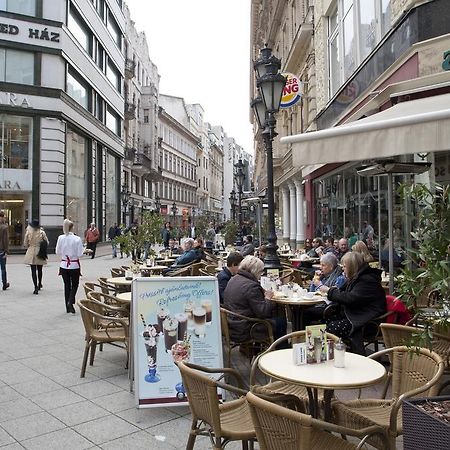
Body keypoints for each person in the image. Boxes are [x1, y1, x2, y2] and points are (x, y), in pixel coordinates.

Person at [319, 252, 386, 353]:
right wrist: (332, 291)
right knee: (323, 318)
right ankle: (326, 353)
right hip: (356, 314)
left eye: (345, 266)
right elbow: (342, 291)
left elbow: (350, 298)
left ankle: (337, 356)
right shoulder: (356, 277)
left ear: (352, 267)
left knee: (332, 327)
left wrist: (329, 291)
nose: (343, 269)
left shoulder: (366, 280)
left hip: (367, 321)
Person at [223, 255, 286, 343]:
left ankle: (255, 349)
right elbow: (263, 313)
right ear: (255, 271)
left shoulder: (234, 279)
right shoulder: (251, 286)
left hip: (232, 324)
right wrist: (268, 298)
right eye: (260, 272)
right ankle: (280, 349)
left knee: (276, 318)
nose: (261, 275)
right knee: (280, 322)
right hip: (246, 329)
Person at [302, 253, 346, 327]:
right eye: (320, 265)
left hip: (330, 308)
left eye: (323, 265)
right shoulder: (324, 276)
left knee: (305, 312)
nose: (320, 267)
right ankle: (298, 333)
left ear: (331, 267)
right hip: (319, 303)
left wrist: (319, 284)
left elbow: (335, 296)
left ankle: (304, 334)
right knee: (299, 308)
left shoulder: (339, 278)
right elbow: (312, 292)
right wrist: (315, 280)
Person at [56, 219, 84, 314]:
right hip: (74, 265)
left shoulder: (60, 238)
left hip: (64, 264)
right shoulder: (77, 239)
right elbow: (80, 254)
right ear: (72, 227)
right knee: (75, 284)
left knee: (66, 285)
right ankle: (70, 301)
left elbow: (57, 252)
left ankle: (67, 306)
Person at [23, 219, 49, 295]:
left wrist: (29, 246)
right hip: (40, 251)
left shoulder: (28, 232)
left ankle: (35, 287)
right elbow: (47, 242)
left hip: (31, 251)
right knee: (40, 269)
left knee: (33, 270)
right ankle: (39, 283)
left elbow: (25, 243)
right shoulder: (42, 232)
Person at [0, 211, 10, 290]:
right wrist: (6, 251)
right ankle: (4, 283)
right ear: (3, 216)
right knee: (3, 268)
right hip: (1, 250)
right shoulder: (4, 227)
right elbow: (5, 240)